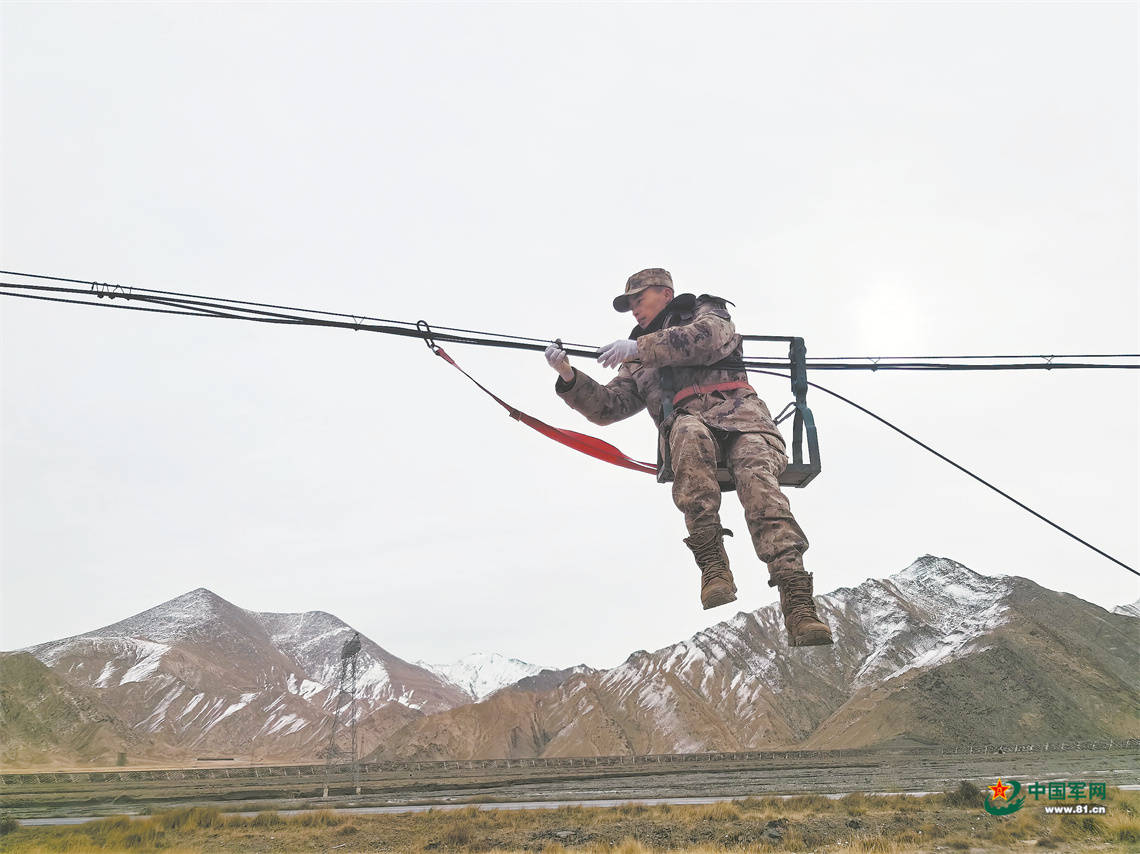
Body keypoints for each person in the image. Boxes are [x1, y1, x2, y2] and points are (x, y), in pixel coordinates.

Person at [543, 268, 834, 647]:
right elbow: (608, 406)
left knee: (760, 484)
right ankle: (712, 562)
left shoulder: (705, 313)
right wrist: (568, 376)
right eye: (628, 304)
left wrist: (639, 348)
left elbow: (707, 338)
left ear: (664, 293)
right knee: (686, 431)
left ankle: (797, 601)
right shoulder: (636, 362)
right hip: (689, 429)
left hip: (744, 420)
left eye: (638, 299)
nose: (633, 310)